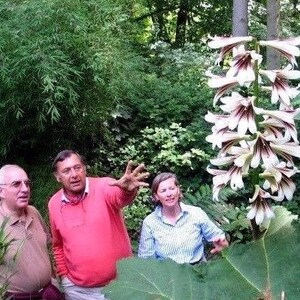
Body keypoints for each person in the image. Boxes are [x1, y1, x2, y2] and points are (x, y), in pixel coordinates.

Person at [48, 149, 149, 300]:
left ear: (84, 168)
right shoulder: (54, 203)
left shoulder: (104, 186)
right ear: (58, 177)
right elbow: (58, 244)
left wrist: (127, 192)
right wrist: (64, 276)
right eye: (67, 171)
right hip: (78, 291)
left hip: (119, 285)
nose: (74, 174)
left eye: (77, 168)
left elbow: (120, 198)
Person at [0, 164, 64, 300]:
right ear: (1, 191)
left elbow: (46, 249)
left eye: (27, 184)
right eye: (16, 184)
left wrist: (54, 281)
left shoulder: (34, 212)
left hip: (49, 293)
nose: (25, 189)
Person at [138, 172, 229, 264]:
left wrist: (222, 245)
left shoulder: (196, 213)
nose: (169, 194)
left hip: (198, 272)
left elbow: (217, 236)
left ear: (178, 190)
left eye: (172, 188)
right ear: (156, 196)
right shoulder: (150, 222)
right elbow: (146, 260)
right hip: (169, 275)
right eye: (163, 191)